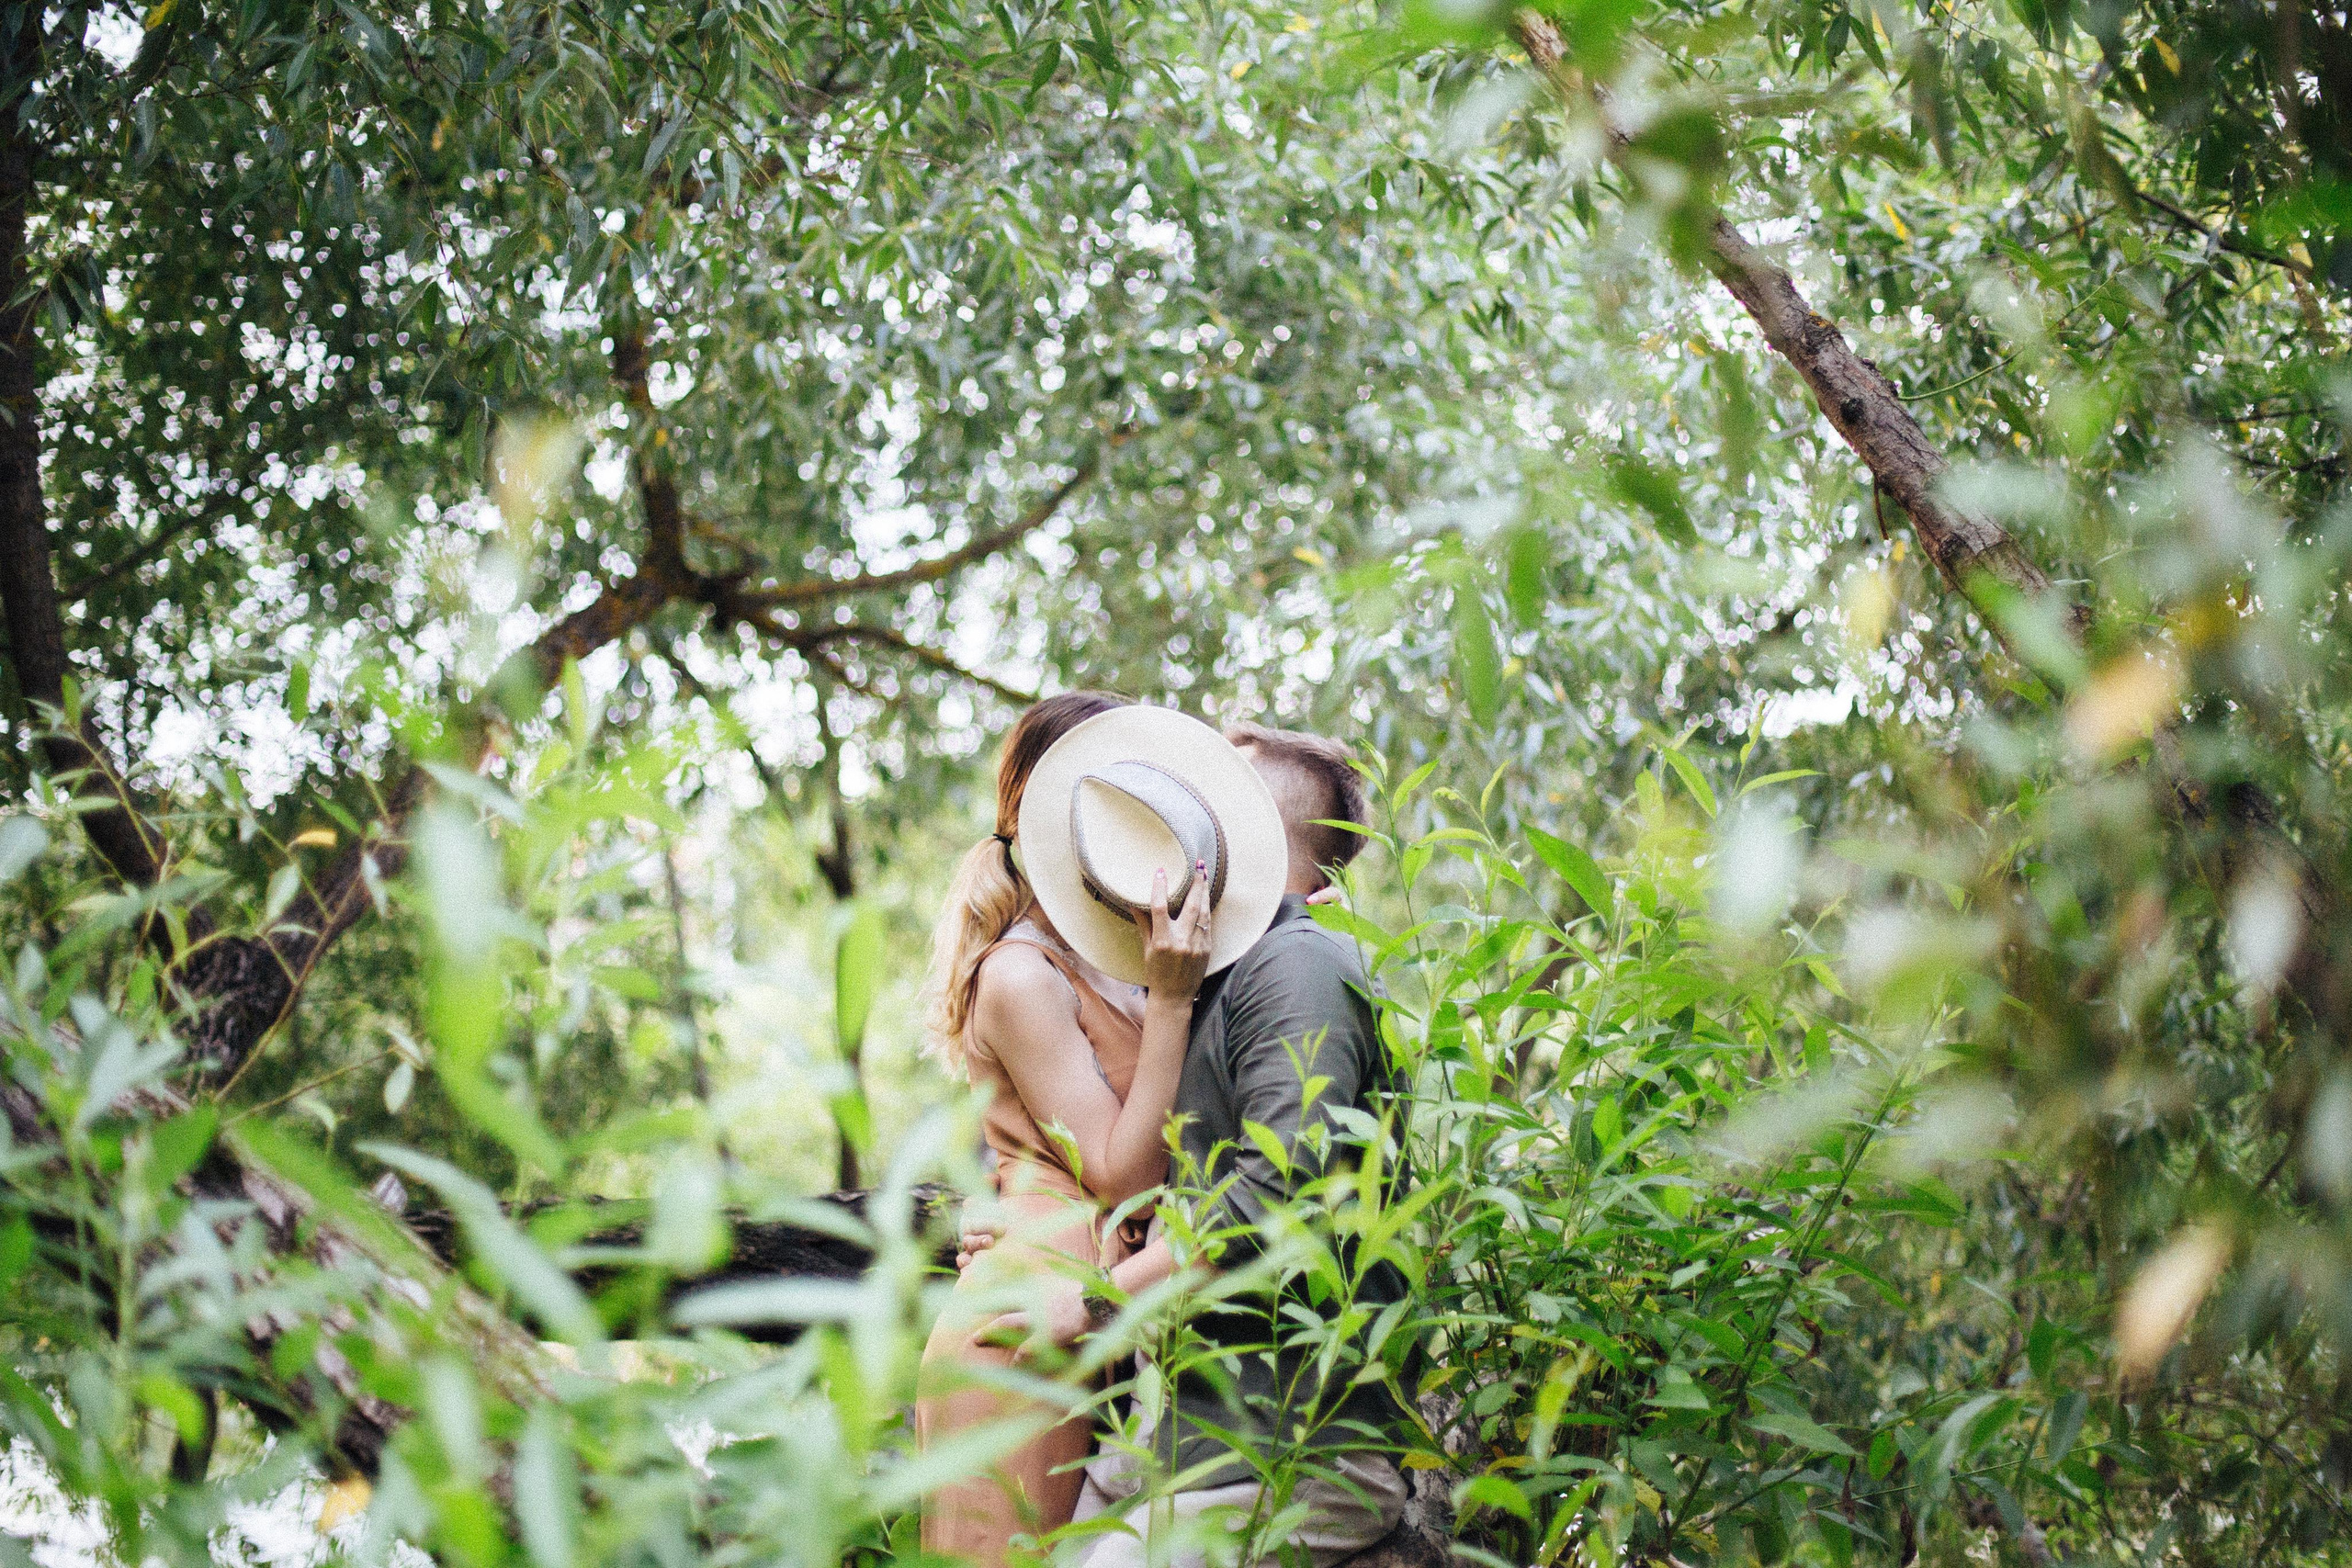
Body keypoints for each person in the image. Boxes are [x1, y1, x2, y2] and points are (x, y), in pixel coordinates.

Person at [978, 721, 1412, 1568]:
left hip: (1290, 1446)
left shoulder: (1300, 968)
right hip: (1184, 1436)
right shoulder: (1215, 981)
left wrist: (1094, 1303)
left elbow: (1272, 1196)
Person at [917, 697, 1295, 1568]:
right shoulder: (1021, 973)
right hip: (1022, 1327)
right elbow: (1124, 1172)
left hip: (1085, 1317)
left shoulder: (1120, 961)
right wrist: (1170, 999)